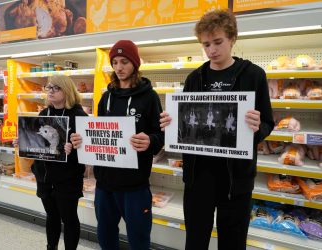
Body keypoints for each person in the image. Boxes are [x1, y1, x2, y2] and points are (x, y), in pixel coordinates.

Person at [160, 10, 274, 250]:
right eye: (206, 44)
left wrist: (257, 127)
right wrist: (172, 124)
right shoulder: (195, 78)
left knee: (232, 242)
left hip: (236, 180)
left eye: (218, 42)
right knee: (196, 240)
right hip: (198, 177)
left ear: (232, 38)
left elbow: (267, 124)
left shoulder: (253, 75)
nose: (212, 50)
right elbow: (187, 122)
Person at [71, 40, 164, 250]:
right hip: (104, 185)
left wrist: (151, 140)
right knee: (106, 235)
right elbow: (99, 132)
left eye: (124, 61)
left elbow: (160, 135)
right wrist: (82, 140)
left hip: (135, 186)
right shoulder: (106, 98)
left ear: (135, 64)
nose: (119, 67)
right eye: (115, 62)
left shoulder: (149, 97)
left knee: (139, 239)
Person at [14, 75, 87, 250]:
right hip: (45, 177)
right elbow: (38, 144)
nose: (51, 91)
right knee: (51, 216)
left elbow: (88, 150)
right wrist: (23, 143)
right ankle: (51, 247)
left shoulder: (79, 116)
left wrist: (74, 150)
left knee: (69, 218)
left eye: (56, 88)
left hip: (68, 178)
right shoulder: (44, 113)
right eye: (49, 87)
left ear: (67, 90)